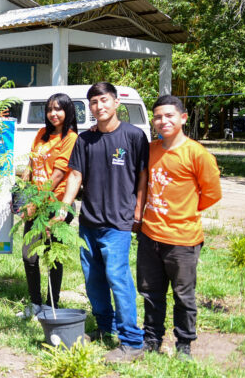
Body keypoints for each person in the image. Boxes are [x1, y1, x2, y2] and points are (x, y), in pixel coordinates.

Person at [58, 81, 148, 362]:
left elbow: (143, 176)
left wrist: (138, 210)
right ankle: (104, 328)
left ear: (116, 102)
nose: (99, 107)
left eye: (104, 101)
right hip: (89, 221)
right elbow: (75, 176)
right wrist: (64, 205)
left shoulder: (134, 136)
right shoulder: (85, 140)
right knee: (93, 280)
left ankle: (132, 341)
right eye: (94, 103)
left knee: (118, 278)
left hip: (118, 223)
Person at [137, 95, 221, 360]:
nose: (164, 121)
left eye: (169, 116)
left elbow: (211, 194)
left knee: (184, 296)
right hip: (150, 235)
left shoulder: (197, 154)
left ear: (183, 118)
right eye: (159, 117)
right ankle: (151, 339)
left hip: (183, 239)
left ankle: (184, 345)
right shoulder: (150, 150)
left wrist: (182, 213)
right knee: (150, 292)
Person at [17, 93, 78, 318]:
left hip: (55, 205)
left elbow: (58, 176)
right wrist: (23, 193)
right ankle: (35, 303)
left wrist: (35, 202)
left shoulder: (70, 138)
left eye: (58, 109)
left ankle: (52, 304)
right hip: (34, 201)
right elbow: (31, 164)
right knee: (29, 255)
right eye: (50, 109)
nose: (53, 113)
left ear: (68, 111)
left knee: (53, 255)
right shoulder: (42, 133)